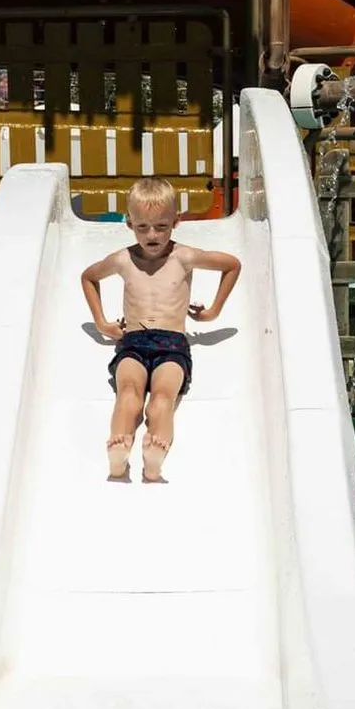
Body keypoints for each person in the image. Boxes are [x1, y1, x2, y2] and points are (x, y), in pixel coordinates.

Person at [80, 176, 241, 483]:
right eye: (142, 227)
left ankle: (154, 457)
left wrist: (213, 311)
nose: (152, 234)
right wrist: (101, 322)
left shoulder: (184, 256)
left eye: (161, 226)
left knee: (162, 399)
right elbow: (89, 277)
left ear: (176, 221)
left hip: (172, 345)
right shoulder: (123, 259)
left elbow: (232, 264)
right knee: (128, 394)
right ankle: (119, 451)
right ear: (129, 223)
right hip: (132, 342)